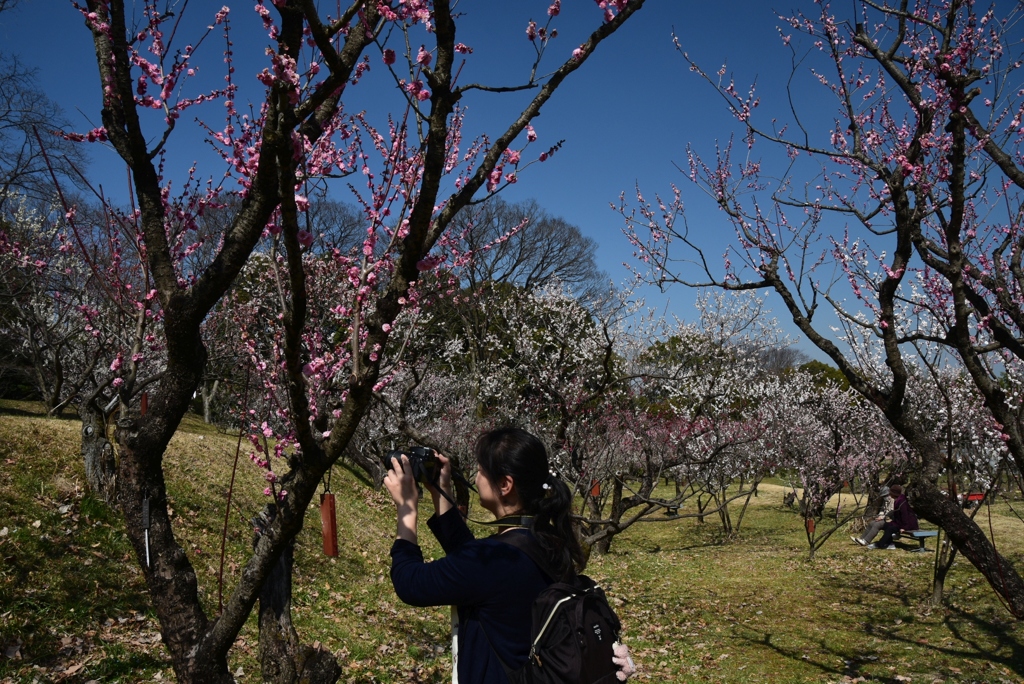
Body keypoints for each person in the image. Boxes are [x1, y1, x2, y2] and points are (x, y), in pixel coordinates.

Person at [385, 427, 635, 683]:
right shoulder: (547, 539)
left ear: (505, 484)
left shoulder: (494, 560)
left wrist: (406, 509)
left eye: (480, 471)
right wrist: (442, 490)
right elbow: (475, 566)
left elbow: (410, 582)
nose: (476, 478)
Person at [867, 484, 918, 550]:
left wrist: (904, 528)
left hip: (909, 524)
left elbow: (905, 516)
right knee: (887, 525)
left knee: (890, 528)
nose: (889, 494)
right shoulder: (898, 500)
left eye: (890, 493)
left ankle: (880, 544)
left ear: (894, 493)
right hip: (900, 523)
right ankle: (888, 543)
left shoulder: (902, 502)